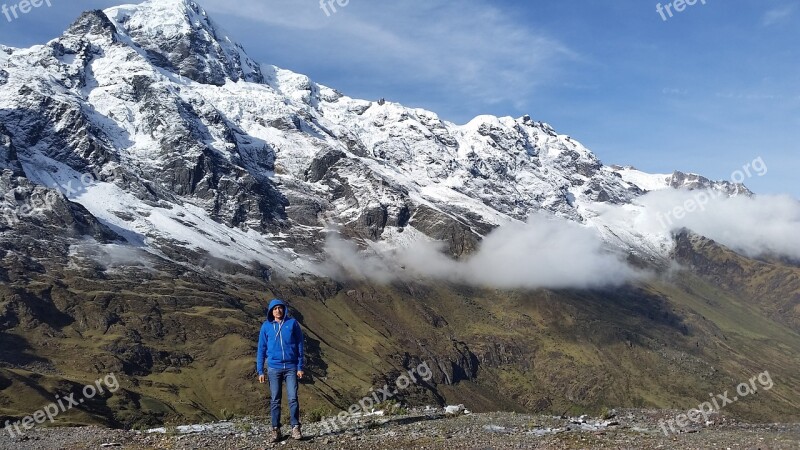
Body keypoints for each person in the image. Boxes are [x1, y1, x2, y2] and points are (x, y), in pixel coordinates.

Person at [257, 298, 305, 442]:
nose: (278, 311)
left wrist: (300, 366)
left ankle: (295, 427)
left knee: (292, 398)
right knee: (275, 400)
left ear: (284, 309)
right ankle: (275, 430)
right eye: (275, 309)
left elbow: (300, 345)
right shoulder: (266, 326)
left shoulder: (292, 324)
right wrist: (260, 370)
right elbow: (261, 349)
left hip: (291, 367)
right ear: (271, 311)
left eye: (280, 308)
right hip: (273, 368)